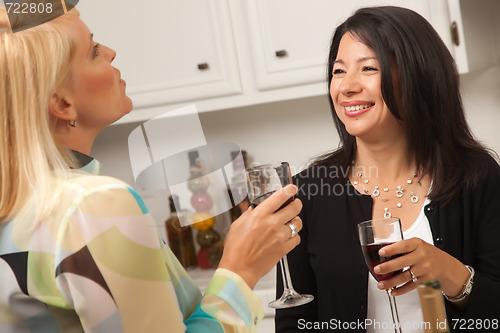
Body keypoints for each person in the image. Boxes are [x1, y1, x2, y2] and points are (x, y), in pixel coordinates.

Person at [0, 8, 304, 332]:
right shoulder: (92, 205)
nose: (111, 52)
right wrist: (240, 271)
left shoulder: (19, 202)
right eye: (93, 50)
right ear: (63, 105)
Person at [275, 6, 500, 333]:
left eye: (368, 68)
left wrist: (449, 272)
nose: (347, 86)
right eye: (338, 71)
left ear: (417, 75)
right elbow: (293, 322)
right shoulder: (307, 192)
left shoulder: (476, 176)